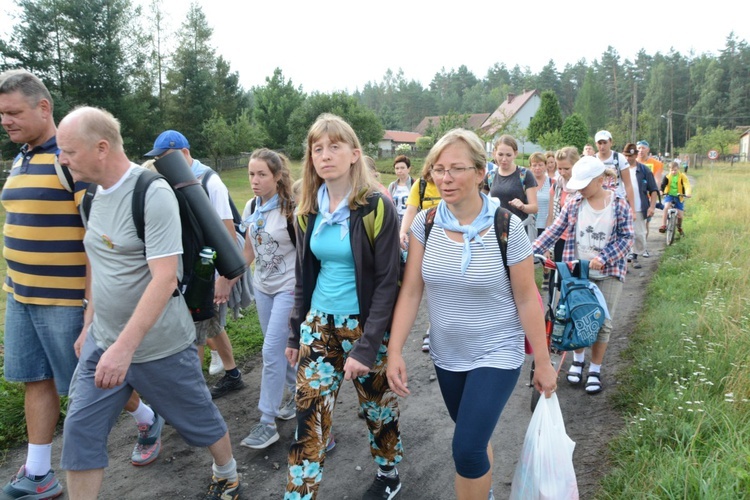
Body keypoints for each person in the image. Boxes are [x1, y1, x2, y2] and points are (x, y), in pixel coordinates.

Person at [57, 106, 240, 499]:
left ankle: (227, 471)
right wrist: (90, 324)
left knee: (199, 421)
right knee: (79, 431)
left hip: (158, 346)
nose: (62, 158)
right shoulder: (90, 194)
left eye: (68, 150)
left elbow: (165, 278)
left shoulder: (151, 193)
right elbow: (98, 264)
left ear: (101, 147)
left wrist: (125, 348)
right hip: (103, 343)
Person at [386, 129, 556, 500]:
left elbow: (528, 299)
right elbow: (412, 290)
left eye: (456, 169)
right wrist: (395, 351)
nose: (444, 178)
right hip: (448, 355)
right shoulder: (425, 224)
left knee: (465, 448)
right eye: (438, 169)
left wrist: (542, 362)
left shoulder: (507, 228)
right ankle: (487, 491)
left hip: (497, 350)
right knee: (474, 438)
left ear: (482, 173)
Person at [285, 113, 403, 499]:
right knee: (309, 419)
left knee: (377, 410)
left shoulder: (376, 207)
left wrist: (367, 346)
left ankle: (388, 473)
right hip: (319, 326)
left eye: (334, 146)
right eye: (317, 148)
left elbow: (388, 281)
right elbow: (303, 277)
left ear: (354, 153)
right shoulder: (306, 211)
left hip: (365, 327)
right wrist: (294, 331)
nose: (325, 155)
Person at [0, 69, 86, 499]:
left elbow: (95, 236)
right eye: (2, 114)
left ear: (43, 107)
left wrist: (92, 303)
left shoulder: (68, 158)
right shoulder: (21, 156)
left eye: (14, 112)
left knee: (87, 382)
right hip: (20, 294)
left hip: (65, 299)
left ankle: (147, 418)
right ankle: (38, 473)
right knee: (34, 378)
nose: (6, 121)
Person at [144, 130, 245, 400]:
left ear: (184, 154)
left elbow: (226, 232)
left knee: (195, 330)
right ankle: (232, 374)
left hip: (209, 271)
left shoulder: (210, 182)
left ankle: (192, 395)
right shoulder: (178, 180)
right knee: (209, 323)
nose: (160, 163)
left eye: (165, 157)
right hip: (195, 267)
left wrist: (222, 279)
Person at [533, 155, 634, 395]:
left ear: (599, 180)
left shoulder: (619, 204)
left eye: (584, 184)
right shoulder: (575, 203)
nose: (580, 189)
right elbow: (555, 229)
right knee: (576, 316)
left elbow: (626, 238)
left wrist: (604, 257)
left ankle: (595, 369)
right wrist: (530, 251)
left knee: (602, 322)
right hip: (577, 269)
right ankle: (577, 361)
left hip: (608, 271)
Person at [238, 148, 298, 449]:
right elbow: (250, 250)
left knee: (271, 351)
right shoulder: (252, 206)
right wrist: (228, 277)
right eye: (251, 174)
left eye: (262, 174)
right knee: (282, 351)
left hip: (289, 287)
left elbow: (306, 254)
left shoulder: (291, 209)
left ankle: (267, 422)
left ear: (277, 176)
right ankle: (301, 394)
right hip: (263, 287)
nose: (255, 180)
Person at [485, 135, 538, 242]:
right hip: (498, 230)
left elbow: (534, 207)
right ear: (494, 153)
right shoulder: (490, 176)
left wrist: (522, 206)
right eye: (500, 154)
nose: (504, 159)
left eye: (508, 155)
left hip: (520, 229)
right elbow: (479, 200)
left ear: (515, 154)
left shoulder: (525, 174)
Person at [544, 146, 579, 293]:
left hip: (577, 240)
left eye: (567, 169)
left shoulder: (583, 187)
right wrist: (546, 244)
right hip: (560, 239)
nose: (563, 173)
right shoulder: (557, 185)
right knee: (556, 279)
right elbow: (551, 216)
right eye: (560, 169)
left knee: (574, 278)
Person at [622, 143, 658, 269]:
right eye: (626, 155)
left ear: (636, 155)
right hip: (622, 208)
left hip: (639, 207)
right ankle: (625, 259)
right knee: (622, 235)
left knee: (639, 234)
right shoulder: (619, 170)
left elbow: (653, 189)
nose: (628, 158)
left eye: (631, 156)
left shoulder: (644, 170)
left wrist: (652, 207)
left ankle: (635, 256)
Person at [594, 130, 635, 209]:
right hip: (599, 201)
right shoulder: (592, 160)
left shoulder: (620, 158)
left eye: (605, 143)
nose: (602, 146)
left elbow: (628, 184)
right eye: (599, 143)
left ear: (611, 142)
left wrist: (632, 209)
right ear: (596, 144)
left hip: (617, 201)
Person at [659, 160, 692, 235]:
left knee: (680, 216)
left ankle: (679, 227)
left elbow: (687, 185)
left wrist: (688, 193)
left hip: (679, 196)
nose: (673, 172)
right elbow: (663, 185)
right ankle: (663, 225)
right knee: (666, 207)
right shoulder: (667, 176)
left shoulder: (682, 176)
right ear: (669, 170)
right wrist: (661, 191)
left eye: (675, 170)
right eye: (671, 170)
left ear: (678, 169)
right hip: (669, 195)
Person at [529, 152, 552, 237]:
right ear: (530, 167)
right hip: (530, 226)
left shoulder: (552, 182)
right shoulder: (525, 183)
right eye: (534, 165)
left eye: (540, 165)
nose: (537, 168)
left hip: (545, 227)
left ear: (545, 166)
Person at [387, 154, 414, 225]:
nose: (399, 170)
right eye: (397, 168)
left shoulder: (415, 184)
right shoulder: (392, 186)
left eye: (402, 168)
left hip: (411, 222)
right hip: (396, 222)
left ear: (409, 169)